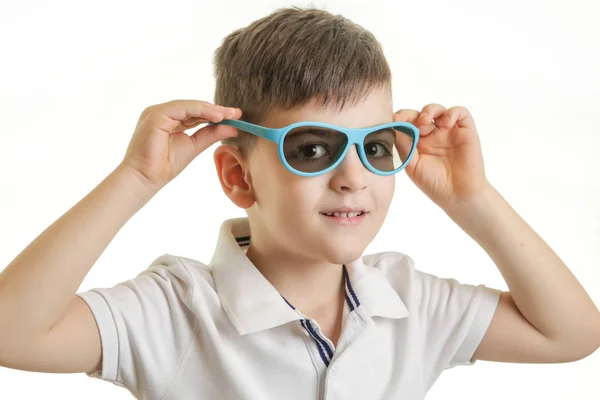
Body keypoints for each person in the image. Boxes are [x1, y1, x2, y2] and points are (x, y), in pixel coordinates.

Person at [0, 6, 598, 400]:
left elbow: (571, 335)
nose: (352, 176)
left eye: (377, 146)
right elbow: (13, 334)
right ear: (238, 178)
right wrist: (135, 177)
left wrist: (474, 200)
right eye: (312, 149)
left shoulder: (411, 304)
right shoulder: (174, 312)